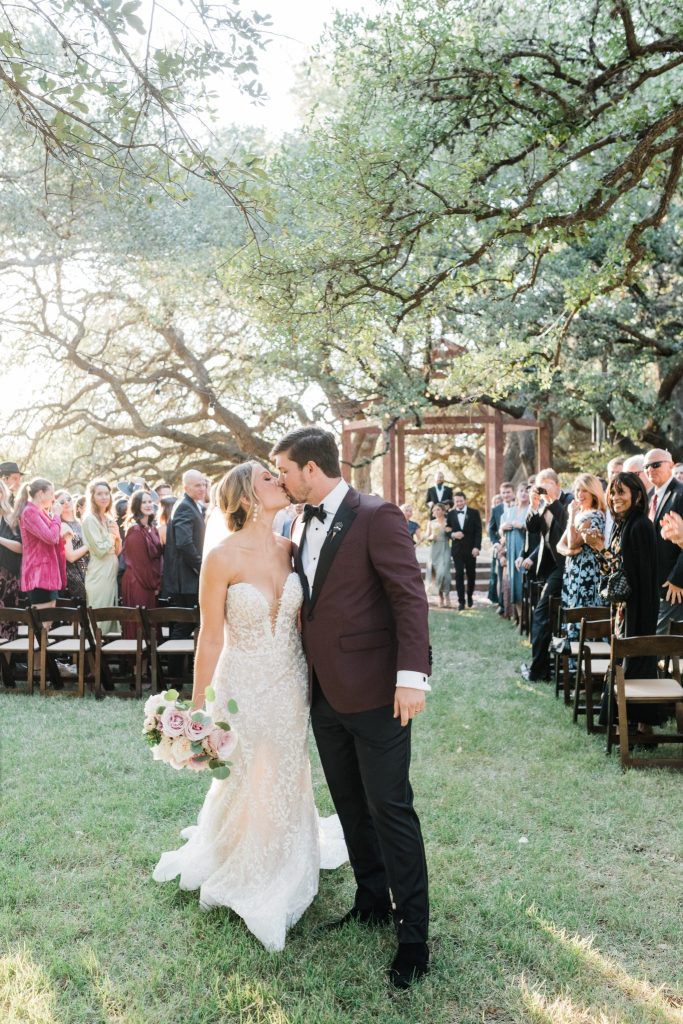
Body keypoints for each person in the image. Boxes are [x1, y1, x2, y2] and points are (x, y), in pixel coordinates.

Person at [153, 462, 348, 951]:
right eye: (267, 478)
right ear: (244, 497)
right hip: (242, 681)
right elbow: (210, 637)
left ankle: (288, 852)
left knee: (286, 767)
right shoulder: (221, 558)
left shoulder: (291, 548)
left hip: (291, 680)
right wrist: (196, 708)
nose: (279, 481)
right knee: (244, 770)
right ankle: (240, 855)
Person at [273, 426, 431, 990]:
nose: (281, 480)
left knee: (390, 807)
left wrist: (411, 677)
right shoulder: (297, 522)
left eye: (284, 471)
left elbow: (409, 597)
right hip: (324, 694)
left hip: (378, 692)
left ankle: (414, 937)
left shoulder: (376, 515)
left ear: (311, 469)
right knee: (349, 804)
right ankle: (370, 899)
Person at [582, 472, 666, 731]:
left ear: (637, 495)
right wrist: (600, 549)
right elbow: (613, 569)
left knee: (636, 660)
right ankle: (630, 723)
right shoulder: (624, 524)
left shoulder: (640, 525)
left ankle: (637, 725)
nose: (615, 498)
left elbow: (625, 572)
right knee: (626, 659)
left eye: (621, 492)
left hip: (639, 607)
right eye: (612, 493)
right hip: (625, 606)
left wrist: (599, 548)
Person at [521, 469, 572, 682]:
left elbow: (567, 526)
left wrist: (553, 501)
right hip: (549, 568)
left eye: (547, 483)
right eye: (540, 484)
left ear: (558, 485)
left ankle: (537, 671)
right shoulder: (542, 504)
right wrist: (534, 505)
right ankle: (542, 666)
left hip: (566, 566)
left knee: (541, 615)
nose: (543, 488)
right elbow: (532, 528)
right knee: (542, 616)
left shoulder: (569, 500)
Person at [557, 474, 606, 639]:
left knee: (584, 616)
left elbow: (572, 543)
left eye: (584, 490)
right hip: (573, 572)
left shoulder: (595, 515)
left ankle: (586, 652)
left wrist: (571, 516)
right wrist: (569, 552)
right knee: (573, 613)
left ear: (593, 492)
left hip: (587, 575)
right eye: (577, 490)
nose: (580, 494)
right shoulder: (580, 514)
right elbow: (560, 545)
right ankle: (573, 652)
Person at [161, 471, 206, 645]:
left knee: (186, 624)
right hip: (186, 580)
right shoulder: (185, 506)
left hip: (186, 580)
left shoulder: (190, 504)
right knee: (185, 624)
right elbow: (184, 543)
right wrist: (201, 566)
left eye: (203, 484)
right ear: (186, 488)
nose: (202, 488)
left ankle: (177, 661)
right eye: (197, 485)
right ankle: (173, 662)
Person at [643, 448, 683, 633]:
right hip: (652, 584)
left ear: (671, 465)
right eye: (646, 467)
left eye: (656, 465)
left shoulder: (680, 494)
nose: (650, 470)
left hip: (673, 585)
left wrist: (678, 578)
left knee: (661, 640)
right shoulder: (649, 496)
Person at [13, 477, 66, 609]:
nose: (53, 498)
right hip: (38, 573)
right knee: (43, 617)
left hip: (48, 573)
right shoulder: (29, 512)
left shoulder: (40, 512)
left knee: (50, 613)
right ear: (41, 493)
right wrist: (57, 516)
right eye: (51, 493)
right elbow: (51, 537)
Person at [121, 490, 163, 637]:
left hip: (150, 580)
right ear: (137, 506)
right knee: (140, 624)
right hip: (138, 581)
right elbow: (139, 563)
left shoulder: (152, 528)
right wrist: (153, 585)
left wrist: (157, 583)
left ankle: (152, 650)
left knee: (150, 622)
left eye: (150, 501)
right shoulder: (135, 530)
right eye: (144, 502)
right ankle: (138, 651)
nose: (148, 505)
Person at [82, 479, 121, 634]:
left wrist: (118, 537)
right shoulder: (89, 520)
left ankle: (108, 647)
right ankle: (95, 647)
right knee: (100, 616)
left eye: (106, 493)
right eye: (99, 494)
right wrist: (112, 535)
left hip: (112, 572)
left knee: (112, 615)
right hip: (99, 573)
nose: (104, 497)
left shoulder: (109, 518)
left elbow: (117, 551)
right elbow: (100, 550)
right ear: (92, 497)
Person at [0, 480, 22, 684]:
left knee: (7, 623)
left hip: (7, 579)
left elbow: (21, 547)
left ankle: (4, 672)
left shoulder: (11, 518)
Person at [446, 491, 482, 610]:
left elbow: (478, 532)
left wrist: (477, 547)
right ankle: (461, 601)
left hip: (471, 550)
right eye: (457, 501)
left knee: (471, 574)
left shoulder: (474, 513)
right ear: (454, 502)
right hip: (457, 550)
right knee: (459, 574)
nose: (459, 503)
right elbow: (447, 530)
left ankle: (470, 596)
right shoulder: (450, 514)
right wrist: (453, 535)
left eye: (461, 501)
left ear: (465, 500)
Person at [500, 483, 529, 621]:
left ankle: (527, 619)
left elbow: (536, 532)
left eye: (526, 491)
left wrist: (522, 526)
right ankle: (519, 618)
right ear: (516, 493)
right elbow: (501, 535)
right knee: (514, 586)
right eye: (521, 491)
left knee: (523, 585)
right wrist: (502, 527)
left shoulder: (531, 510)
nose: (523, 493)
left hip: (524, 552)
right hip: (511, 552)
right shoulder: (509, 511)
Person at [55, 489, 89, 604]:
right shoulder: (62, 526)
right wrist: (90, 545)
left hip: (90, 570)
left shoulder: (81, 521)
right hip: (75, 575)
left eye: (69, 499)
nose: (66, 502)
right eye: (62, 502)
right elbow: (70, 557)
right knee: (85, 608)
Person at [489, 482, 515, 614]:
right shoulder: (496, 509)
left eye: (508, 492)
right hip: (501, 548)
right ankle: (502, 605)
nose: (506, 495)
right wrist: (496, 544)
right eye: (503, 493)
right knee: (501, 576)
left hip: (516, 546)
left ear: (513, 493)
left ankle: (513, 606)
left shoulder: (518, 506)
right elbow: (491, 529)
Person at [425, 503, 452, 607]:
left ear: (443, 511)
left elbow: (452, 535)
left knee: (444, 573)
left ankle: (447, 595)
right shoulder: (431, 523)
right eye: (434, 510)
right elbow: (427, 537)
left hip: (445, 548)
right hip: (434, 549)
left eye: (438, 510)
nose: (436, 512)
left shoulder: (448, 522)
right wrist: (431, 537)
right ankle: (440, 597)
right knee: (436, 573)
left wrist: (450, 531)